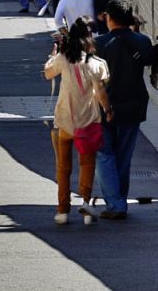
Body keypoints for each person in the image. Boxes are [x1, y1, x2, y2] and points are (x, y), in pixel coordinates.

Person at [92, 0, 154, 221]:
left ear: (109, 18)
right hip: (133, 104)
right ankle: (119, 201)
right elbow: (149, 60)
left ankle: (116, 203)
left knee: (104, 154)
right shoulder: (142, 41)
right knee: (123, 156)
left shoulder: (98, 43)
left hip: (103, 105)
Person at [43, 16, 108, 225]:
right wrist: (108, 109)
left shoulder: (63, 58)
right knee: (87, 163)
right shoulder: (96, 63)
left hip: (65, 121)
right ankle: (86, 206)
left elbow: (47, 73)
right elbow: (101, 90)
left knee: (63, 167)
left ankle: (62, 210)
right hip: (87, 121)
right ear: (90, 37)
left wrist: (54, 54)